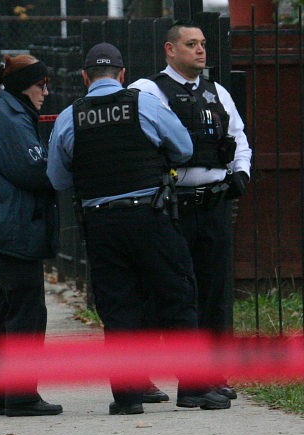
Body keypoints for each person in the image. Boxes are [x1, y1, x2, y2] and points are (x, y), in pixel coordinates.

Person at [48, 42, 231, 414]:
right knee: (178, 296)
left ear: (84, 77)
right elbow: (182, 148)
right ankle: (193, 389)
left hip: (100, 224)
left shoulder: (70, 116)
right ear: (122, 74)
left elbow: (57, 177)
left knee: (118, 308)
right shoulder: (143, 104)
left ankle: (129, 396)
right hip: (149, 216)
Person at [130, 20, 252, 402]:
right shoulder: (146, 90)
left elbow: (238, 139)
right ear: (170, 49)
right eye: (191, 44)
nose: (201, 50)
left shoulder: (217, 92)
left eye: (202, 44)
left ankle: (211, 375)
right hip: (171, 207)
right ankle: (143, 376)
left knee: (215, 292)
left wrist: (240, 176)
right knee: (164, 292)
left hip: (214, 204)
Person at [0, 54, 62, 417]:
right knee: (26, 310)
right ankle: (21, 395)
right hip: (11, 226)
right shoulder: (7, 115)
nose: (46, 92)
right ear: (25, 85)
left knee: (5, 307)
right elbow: (32, 168)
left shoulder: (1, 111)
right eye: (41, 85)